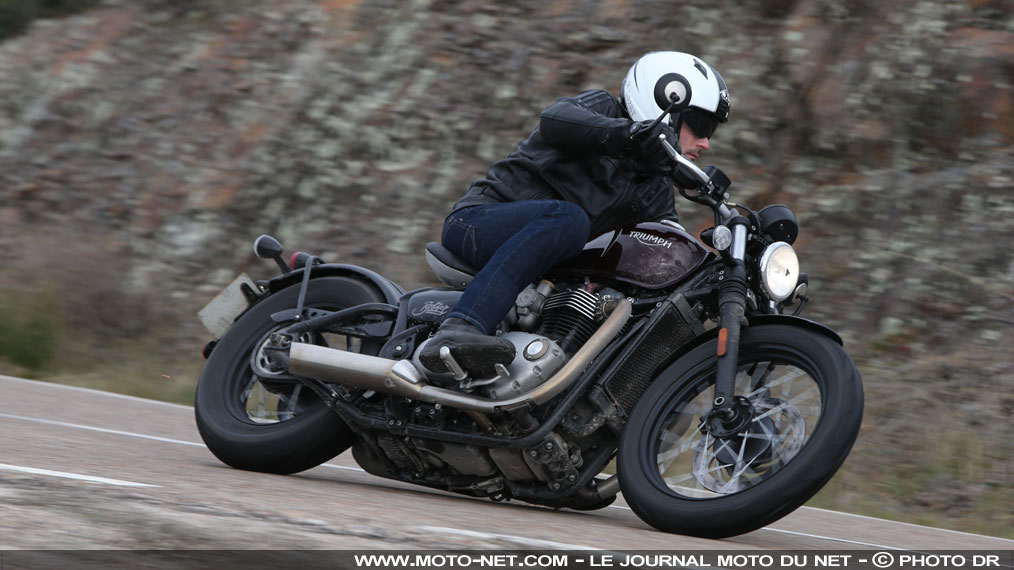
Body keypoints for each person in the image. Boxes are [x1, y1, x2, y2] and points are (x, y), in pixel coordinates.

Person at [419, 51, 730, 379]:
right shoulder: (603, 109)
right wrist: (628, 136)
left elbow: (663, 253)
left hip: (548, 275)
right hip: (479, 221)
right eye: (699, 126)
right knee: (569, 219)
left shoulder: (656, 189)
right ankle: (460, 327)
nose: (705, 143)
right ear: (667, 101)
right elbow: (555, 120)